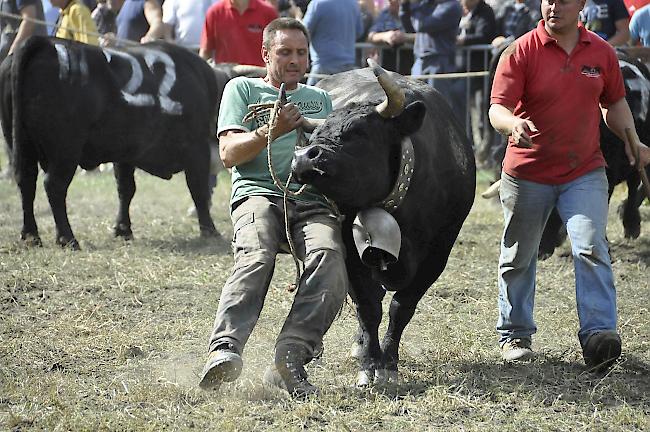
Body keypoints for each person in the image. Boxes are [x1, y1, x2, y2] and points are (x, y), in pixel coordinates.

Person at [489, 0, 650, 372]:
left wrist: (632, 138)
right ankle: (515, 334)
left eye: (562, 0)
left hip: (585, 171)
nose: (553, 6)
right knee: (519, 256)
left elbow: (614, 103)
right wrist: (512, 123)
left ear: (581, 4)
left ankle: (599, 334)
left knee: (592, 246)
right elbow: (497, 108)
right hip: (527, 172)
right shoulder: (520, 51)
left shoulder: (602, 52)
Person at [198, 17, 348, 398]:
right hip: (257, 194)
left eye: (301, 52)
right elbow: (229, 154)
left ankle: (291, 357)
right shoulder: (242, 89)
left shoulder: (321, 99)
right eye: (284, 52)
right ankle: (225, 348)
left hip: (310, 200)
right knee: (257, 254)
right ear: (265, 54)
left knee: (330, 258)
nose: (294, 60)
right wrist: (272, 131)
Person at [399, 0, 463, 102]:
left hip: (439, 63)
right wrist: (405, 5)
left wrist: (414, 4)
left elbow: (422, 25)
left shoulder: (451, 5)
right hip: (420, 61)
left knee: (437, 106)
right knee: (415, 105)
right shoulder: (426, 4)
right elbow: (409, 27)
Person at [302, 0, 363, 85]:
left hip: (323, 66)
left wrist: (297, 17)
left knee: (309, 97)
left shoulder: (317, 3)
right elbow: (359, 32)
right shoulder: (353, 3)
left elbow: (303, 33)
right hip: (347, 67)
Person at [199, 0, 278, 66]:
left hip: (258, 78)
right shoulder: (214, 12)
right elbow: (205, 52)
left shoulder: (268, 12)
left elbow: (276, 50)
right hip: (225, 77)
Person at [366, 0, 415, 75]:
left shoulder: (415, 13)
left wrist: (405, 37)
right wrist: (384, 36)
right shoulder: (385, 14)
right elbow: (371, 36)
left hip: (410, 66)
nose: (390, 3)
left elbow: (426, 36)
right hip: (388, 69)